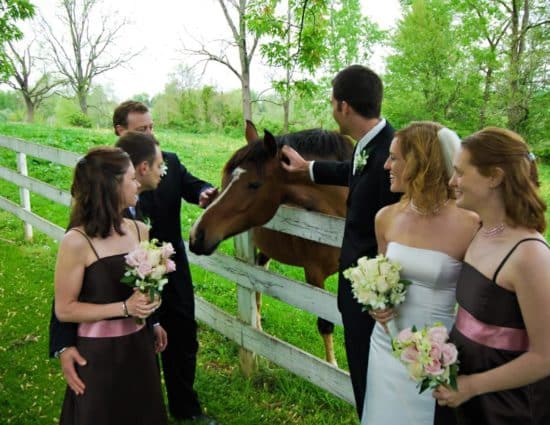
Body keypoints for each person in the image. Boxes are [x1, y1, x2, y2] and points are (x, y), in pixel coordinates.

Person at [50, 101, 219, 424]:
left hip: (167, 281)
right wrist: (64, 344)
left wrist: (205, 193)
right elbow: (70, 293)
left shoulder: (164, 166)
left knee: (182, 340)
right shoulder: (98, 181)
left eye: (152, 127)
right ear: (121, 131)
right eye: (143, 130)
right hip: (105, 336)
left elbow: (189, 183)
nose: (151, 134)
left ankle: (186, 406)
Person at [280, 65, 401, 417]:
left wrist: (382, 294)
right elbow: (355, 172)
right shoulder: (373, 147)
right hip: (361, 296)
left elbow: (396, 233)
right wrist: (309, 168)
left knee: (372, 383)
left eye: (333, 101)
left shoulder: (389, 157)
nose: (332, 108)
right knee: (366, 384)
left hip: (374, 302)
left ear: (344, 107)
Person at [361, 122, 479, 425]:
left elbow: (479, 300)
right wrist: (377, 305)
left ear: (420, 162)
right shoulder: (385, 218)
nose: (387, 165)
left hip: (436, 356)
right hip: (385, 347)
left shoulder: (469, 224)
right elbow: (380, 279)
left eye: (395, 158)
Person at [433, 127, 550, 425]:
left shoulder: (530, 255)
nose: (451, 182)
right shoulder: (481, 230)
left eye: (460, 172)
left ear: (494, 177)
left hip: (503, 405)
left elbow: (545, 357)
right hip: (462, 389)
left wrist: (473, 386)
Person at [55, 146, 166, 424]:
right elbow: (65, 309)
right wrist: (125, 308)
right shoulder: (76, 242)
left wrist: (152, 310)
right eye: (131, 178)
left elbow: (144, 287)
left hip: (140, 349)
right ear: (111, 185)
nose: (138, 183)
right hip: (99, 356)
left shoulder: (141, 229)